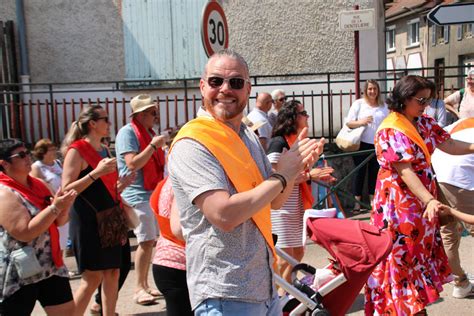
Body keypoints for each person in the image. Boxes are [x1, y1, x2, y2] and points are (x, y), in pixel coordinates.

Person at [168, 49, 322, 315]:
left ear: (248, 89)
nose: (225, 89)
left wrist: (294, 169)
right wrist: (282, 175)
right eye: (216, 81)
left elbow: (273, 201)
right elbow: (224, 214)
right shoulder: (193, 142)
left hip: (263, 287)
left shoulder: (246, 136)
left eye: (236, 83)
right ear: (202, 86)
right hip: (224, 294)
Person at [365, 75, 474, 315]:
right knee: (401, 256)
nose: (425, 104)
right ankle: (404, 306)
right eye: (421, 100)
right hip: (399, 207)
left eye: (428, 100)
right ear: (404, 98)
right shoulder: (390, 128)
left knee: (417, 255)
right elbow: (404, 171)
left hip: (421, 205)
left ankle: (415, 305)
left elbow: (448, 144)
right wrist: (430, 200)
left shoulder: (423, 122)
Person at [61, 106, 133, 316]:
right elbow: (66, 189)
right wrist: (96, 173)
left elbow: (104, 188)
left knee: (113, 272)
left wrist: (122, 185)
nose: (109, 123)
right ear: (92, 123)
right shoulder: (77, 150)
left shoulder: (105, 149)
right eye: (105, 119)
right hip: (88, 220)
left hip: (110, 219)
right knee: (92, 278)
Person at [0, 139, 77, 315]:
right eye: (20, 155)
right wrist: (56, 208)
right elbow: (25, 233)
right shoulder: (4, 192)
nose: (27, 157)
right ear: (4, 163)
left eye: (27, 153)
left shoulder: (38, 184)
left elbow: (60, 221)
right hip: (20, 272)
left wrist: (63, 208)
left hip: (50, 266)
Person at [267, 99, 334, 287]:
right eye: (303, 113)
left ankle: (289, 293)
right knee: (285, 257)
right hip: (281, 208)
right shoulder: (278, 142)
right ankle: (280, 296)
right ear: (292, 118)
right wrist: (309, 175)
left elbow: (299, 173)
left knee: (297, 253)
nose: (307, 117)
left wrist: (313, 173)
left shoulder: (297, 143)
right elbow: (273, 179)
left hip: (295, 206)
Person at [115, 94, 167, 305]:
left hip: (150, 192)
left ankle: (144, 284)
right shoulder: (128, 133)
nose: (156, 116)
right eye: (153, 113)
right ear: (141, 114)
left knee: (149, 241)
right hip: (136, 194)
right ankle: (138, 288)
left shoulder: (147, 132)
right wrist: (154, 146)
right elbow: (132, 163)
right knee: (145, 241)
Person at [432, 117, 474, 298]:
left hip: (438, 173)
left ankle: (460, 282)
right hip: (460, 179)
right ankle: (460, 282)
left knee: (448, 232)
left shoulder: (463, 122)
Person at [150, 177, 192, 316]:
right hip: (179, 265)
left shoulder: (169, 180)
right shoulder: (184, 180)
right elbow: (179, 230)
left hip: (167, 262)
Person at [345, 80, 388, 213]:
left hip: (378, 144)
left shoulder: (384, 106)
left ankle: (372, 201)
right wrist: (361, 122)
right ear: (365, 90)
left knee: (375, 173)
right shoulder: (359, 104)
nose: (372, 91)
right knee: (359, 173)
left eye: (375, 89)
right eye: (370, 89)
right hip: (361, 143)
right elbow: (348, 123)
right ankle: (357, 203)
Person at [30, 139, 70, 257]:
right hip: (50, 204)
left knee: (63, 236)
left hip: (63, 203)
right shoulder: (37, 167)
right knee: (54, 235)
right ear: (43, 152)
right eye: (51, 149)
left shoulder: (57, 162)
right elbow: (37, 186)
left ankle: (61, 262)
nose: (55, 151)